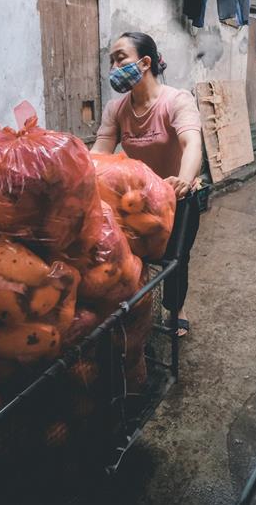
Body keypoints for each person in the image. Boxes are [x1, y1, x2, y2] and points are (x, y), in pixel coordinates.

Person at [91, 32, 203, 337]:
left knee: (174, 260)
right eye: (111, 61)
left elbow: (192, 142)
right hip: (138, 198)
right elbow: (100, 150)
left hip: (179, 194)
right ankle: (135, 310)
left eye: (120, 58)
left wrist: (184, 178)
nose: (113, 66)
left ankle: (175, 308)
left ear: (145, 62)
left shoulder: (176, 100)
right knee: (131, 254)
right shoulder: (117, 109)